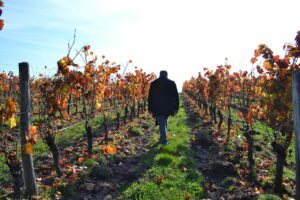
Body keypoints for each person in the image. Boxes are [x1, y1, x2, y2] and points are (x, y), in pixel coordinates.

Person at [148, 70, 179, 144]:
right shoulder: (171, 83)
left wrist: (150, 108)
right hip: (168, 107)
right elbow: (176, 96)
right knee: (163, 122)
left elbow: (150, 97)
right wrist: (176, 107)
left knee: (162, 123)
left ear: (160, 75)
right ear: (166, 75)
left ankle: (163, 141)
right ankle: (163, 139)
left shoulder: (154, 83)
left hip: (157, 106)